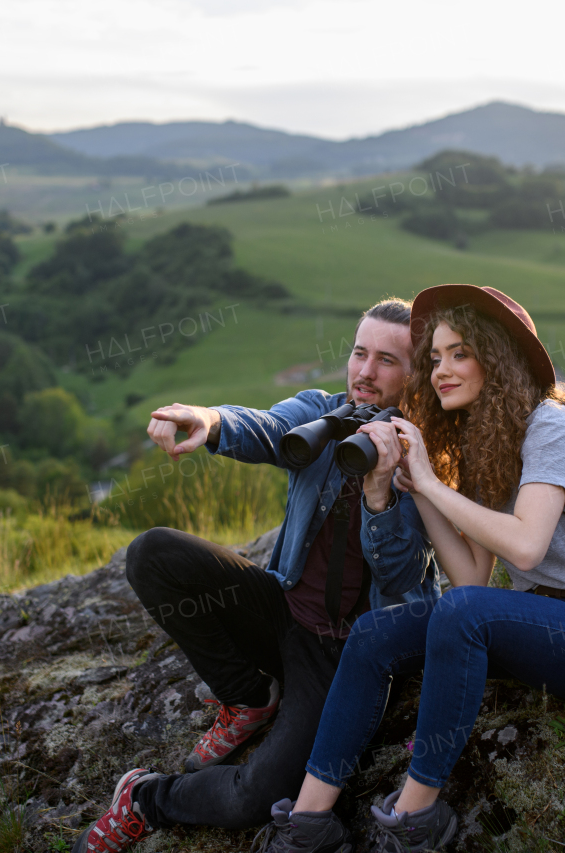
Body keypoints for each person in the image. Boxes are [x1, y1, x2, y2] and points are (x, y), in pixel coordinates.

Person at [251, 284, 565, 853]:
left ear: (496, 358)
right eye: (435, 357)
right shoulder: (488, 441)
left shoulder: (551, 423)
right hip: (546, 622)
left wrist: (427, 483)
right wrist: (415, 485)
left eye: (459, 353)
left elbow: (525, 549)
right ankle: (309, 821)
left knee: (463, 612)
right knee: (375, 632)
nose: (441, 369)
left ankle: (414, 817)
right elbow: (471, 578)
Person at [75, 299, 441, 853]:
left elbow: (401, 571)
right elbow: (267, 427)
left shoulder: (432, 462)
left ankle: (146, 798)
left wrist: (381, 490)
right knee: (152, 553)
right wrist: (209, 420)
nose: (365, 372)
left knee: (259, 797)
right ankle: (250, 696)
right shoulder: (323, 411)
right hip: (283, 609)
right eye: (359, 352)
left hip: (349, 655)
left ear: (417, 374)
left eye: (387, 360)